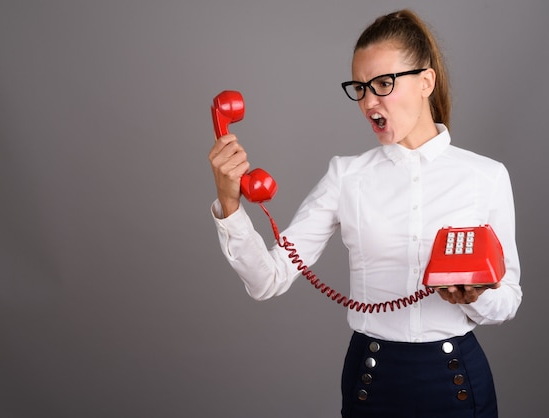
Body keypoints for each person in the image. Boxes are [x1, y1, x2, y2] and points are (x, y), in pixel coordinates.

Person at [208, 9, 521, 418]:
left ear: (426, 81)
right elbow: (268, 279)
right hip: (373, 382)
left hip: (457, 380)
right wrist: (230, 204)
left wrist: (476, 299)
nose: (369, 101)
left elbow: (508, 300)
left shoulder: (486, 176)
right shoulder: (346, 176)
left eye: (383, 84)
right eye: (360, 87)